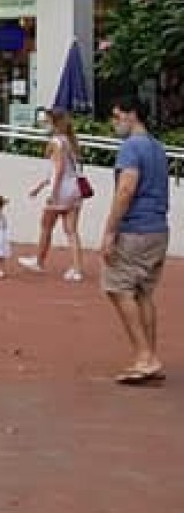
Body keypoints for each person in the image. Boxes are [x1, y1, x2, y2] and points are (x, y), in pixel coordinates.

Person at [100, 96, 170, 385]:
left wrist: (109, 230)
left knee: (117, 287)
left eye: (117, 117)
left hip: (135, 229)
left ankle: (145, 355)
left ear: (132, 116)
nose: (115, 123)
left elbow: (126, 188)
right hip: (157, 229)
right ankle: (148, 355)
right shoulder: (157, 147)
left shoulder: (131, 148)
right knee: (142, 292)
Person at [17, 108, 85, 282]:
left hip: (60, 189)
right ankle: (77, 269)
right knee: (71, 231)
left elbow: (58, 169)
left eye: (47, 121)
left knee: (46, 226)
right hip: (75, 189)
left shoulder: (56, 142)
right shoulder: (70, 141)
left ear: (53, 123)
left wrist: (52, 193)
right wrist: (40, 187)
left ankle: (39, 260)